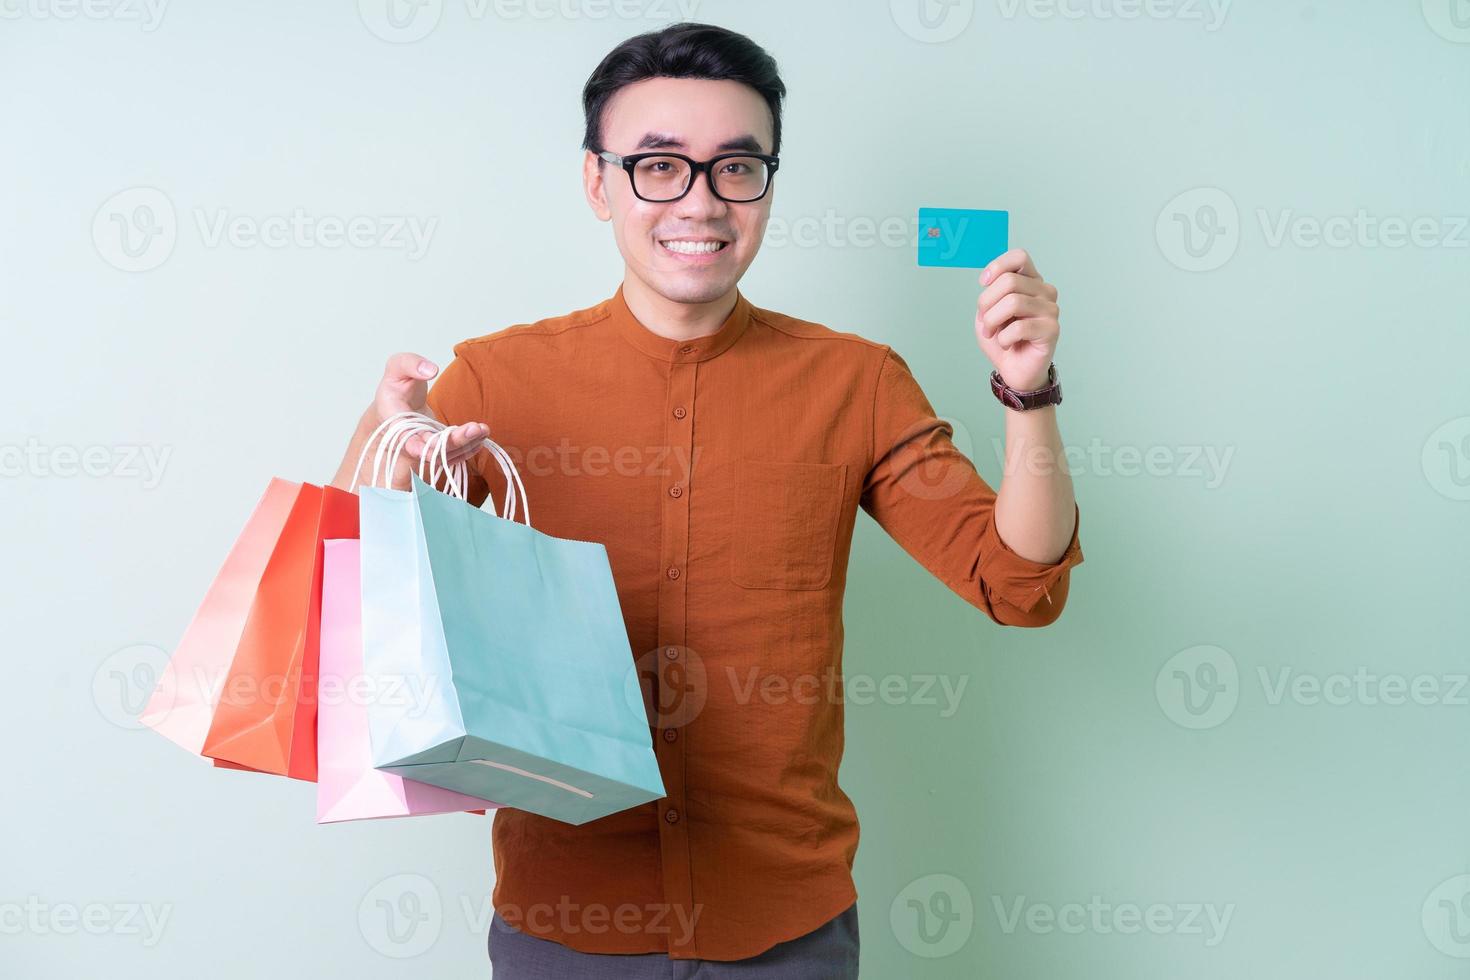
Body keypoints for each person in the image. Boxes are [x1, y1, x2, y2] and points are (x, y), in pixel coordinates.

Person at [331, 21, 1082, 979]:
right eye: (657, 166)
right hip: (567, 923)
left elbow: (1020, 582)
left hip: (787, 927)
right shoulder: (494, 378)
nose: (700, 201)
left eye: (736, 167)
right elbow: (369, 624)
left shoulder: (857, 383)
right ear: (598, 183)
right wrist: (387, 442)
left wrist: (1028, 391)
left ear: (767, 183)